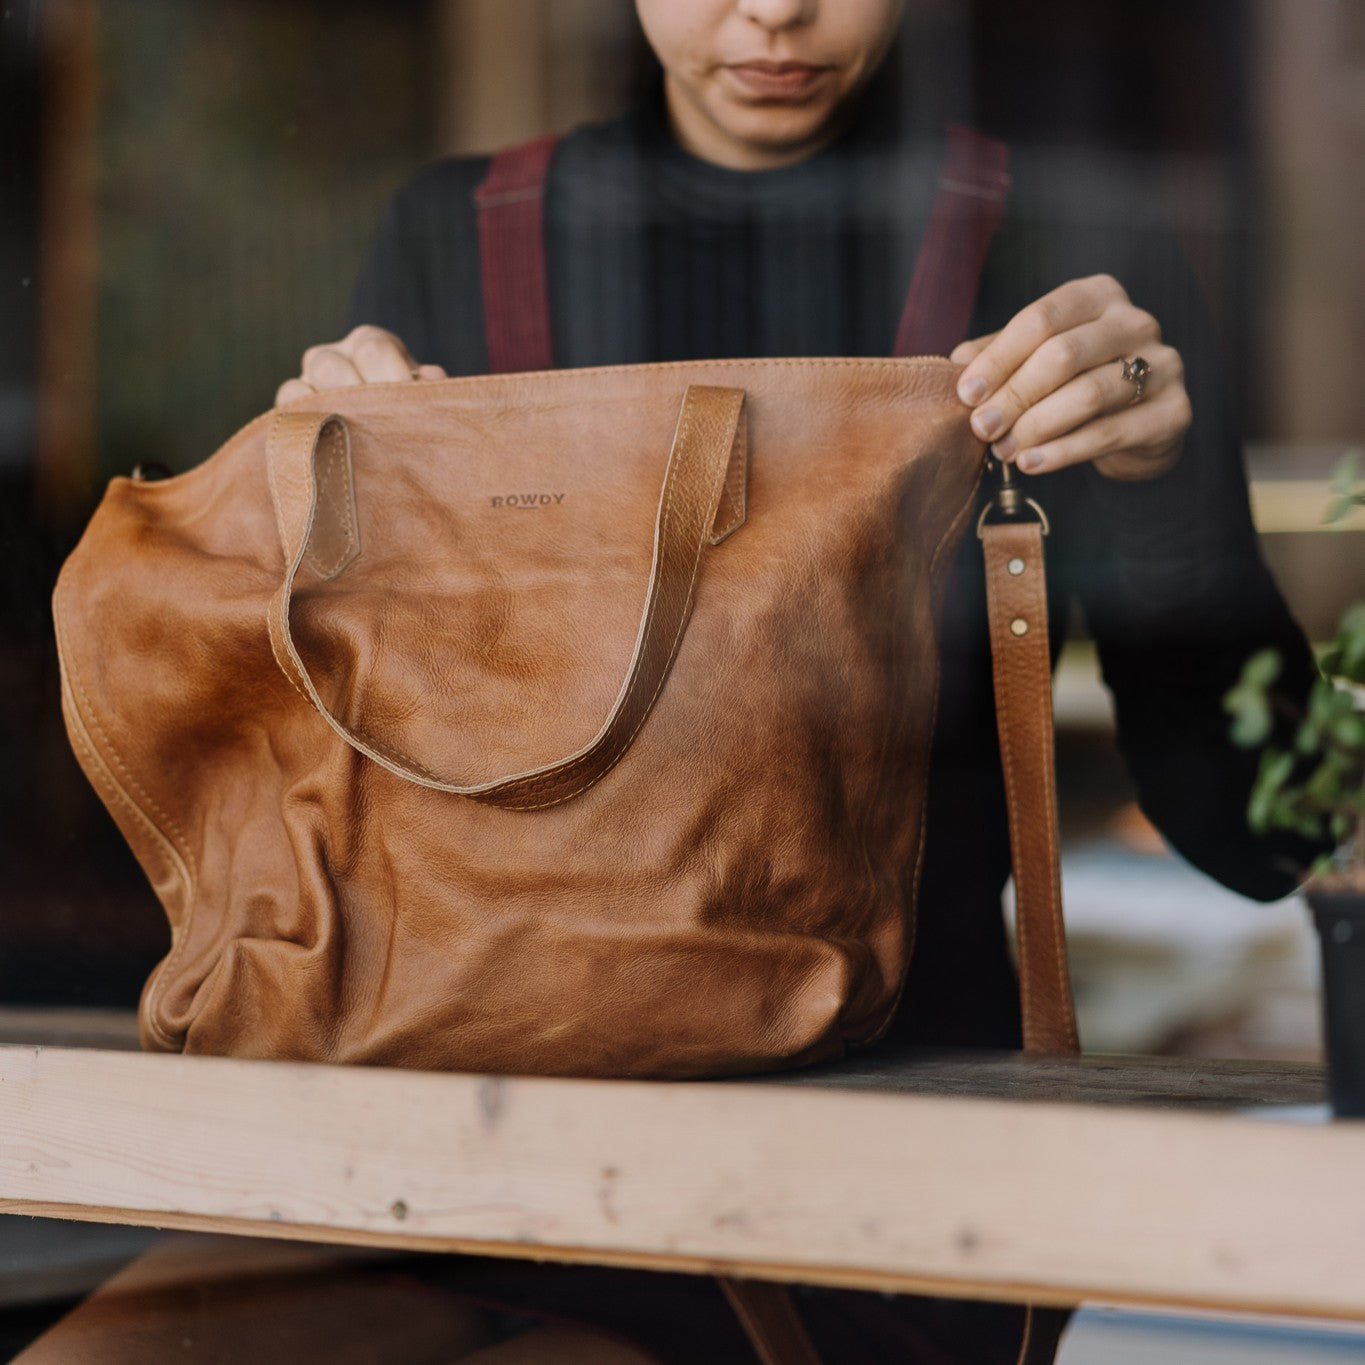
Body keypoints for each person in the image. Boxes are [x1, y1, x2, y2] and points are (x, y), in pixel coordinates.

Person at [272, 1, 1321, 1359]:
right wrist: (306, 517)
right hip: (476, 1117)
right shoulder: (462, 233)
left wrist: (1161, 490)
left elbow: (1264, 832)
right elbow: (343, 794)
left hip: (893, 1164)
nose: (772, 9)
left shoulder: (1060, 250)